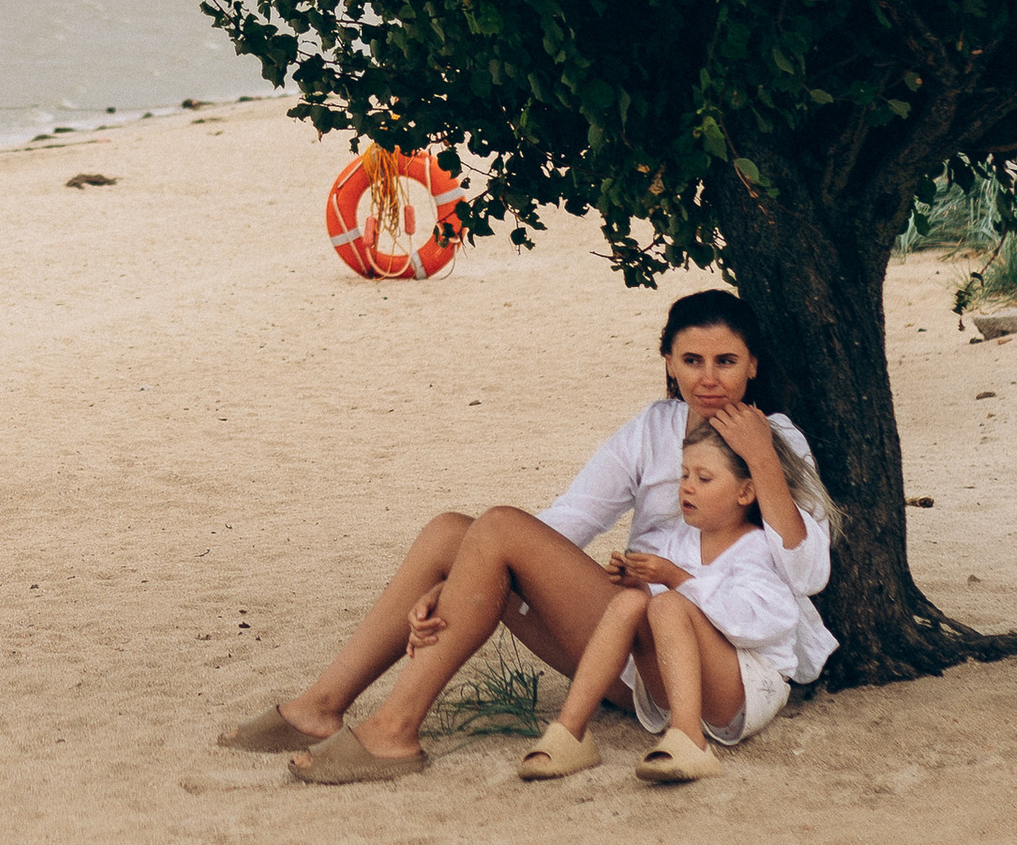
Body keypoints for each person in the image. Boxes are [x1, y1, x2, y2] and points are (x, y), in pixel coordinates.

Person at [218, 288, 837, 783]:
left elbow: (809, 576)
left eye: (726, 361)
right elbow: (567, 524)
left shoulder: (777, 436)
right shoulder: (652, 429)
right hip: (627, 635)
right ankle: (319, 707)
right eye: (691, 361)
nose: (708, 379)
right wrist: (458, 575)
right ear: (668, 363)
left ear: (753, 365)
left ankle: (394, 730)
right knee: (450, 534)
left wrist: (761, 459)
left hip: (716, 656)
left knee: (494, 529)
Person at [514, 418, 811, 785]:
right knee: (629, 604)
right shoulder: (675, 541)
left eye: (704, 479)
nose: (687, 488)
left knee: (669, 604)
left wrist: (676, 579)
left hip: (744, 688)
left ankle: (690, 739)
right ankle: (571, 731)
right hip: (676, 683)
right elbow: (656, 615)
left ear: (746, 492)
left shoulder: (757, 548)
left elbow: (754, 624)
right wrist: (637, 584)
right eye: (684, 476)